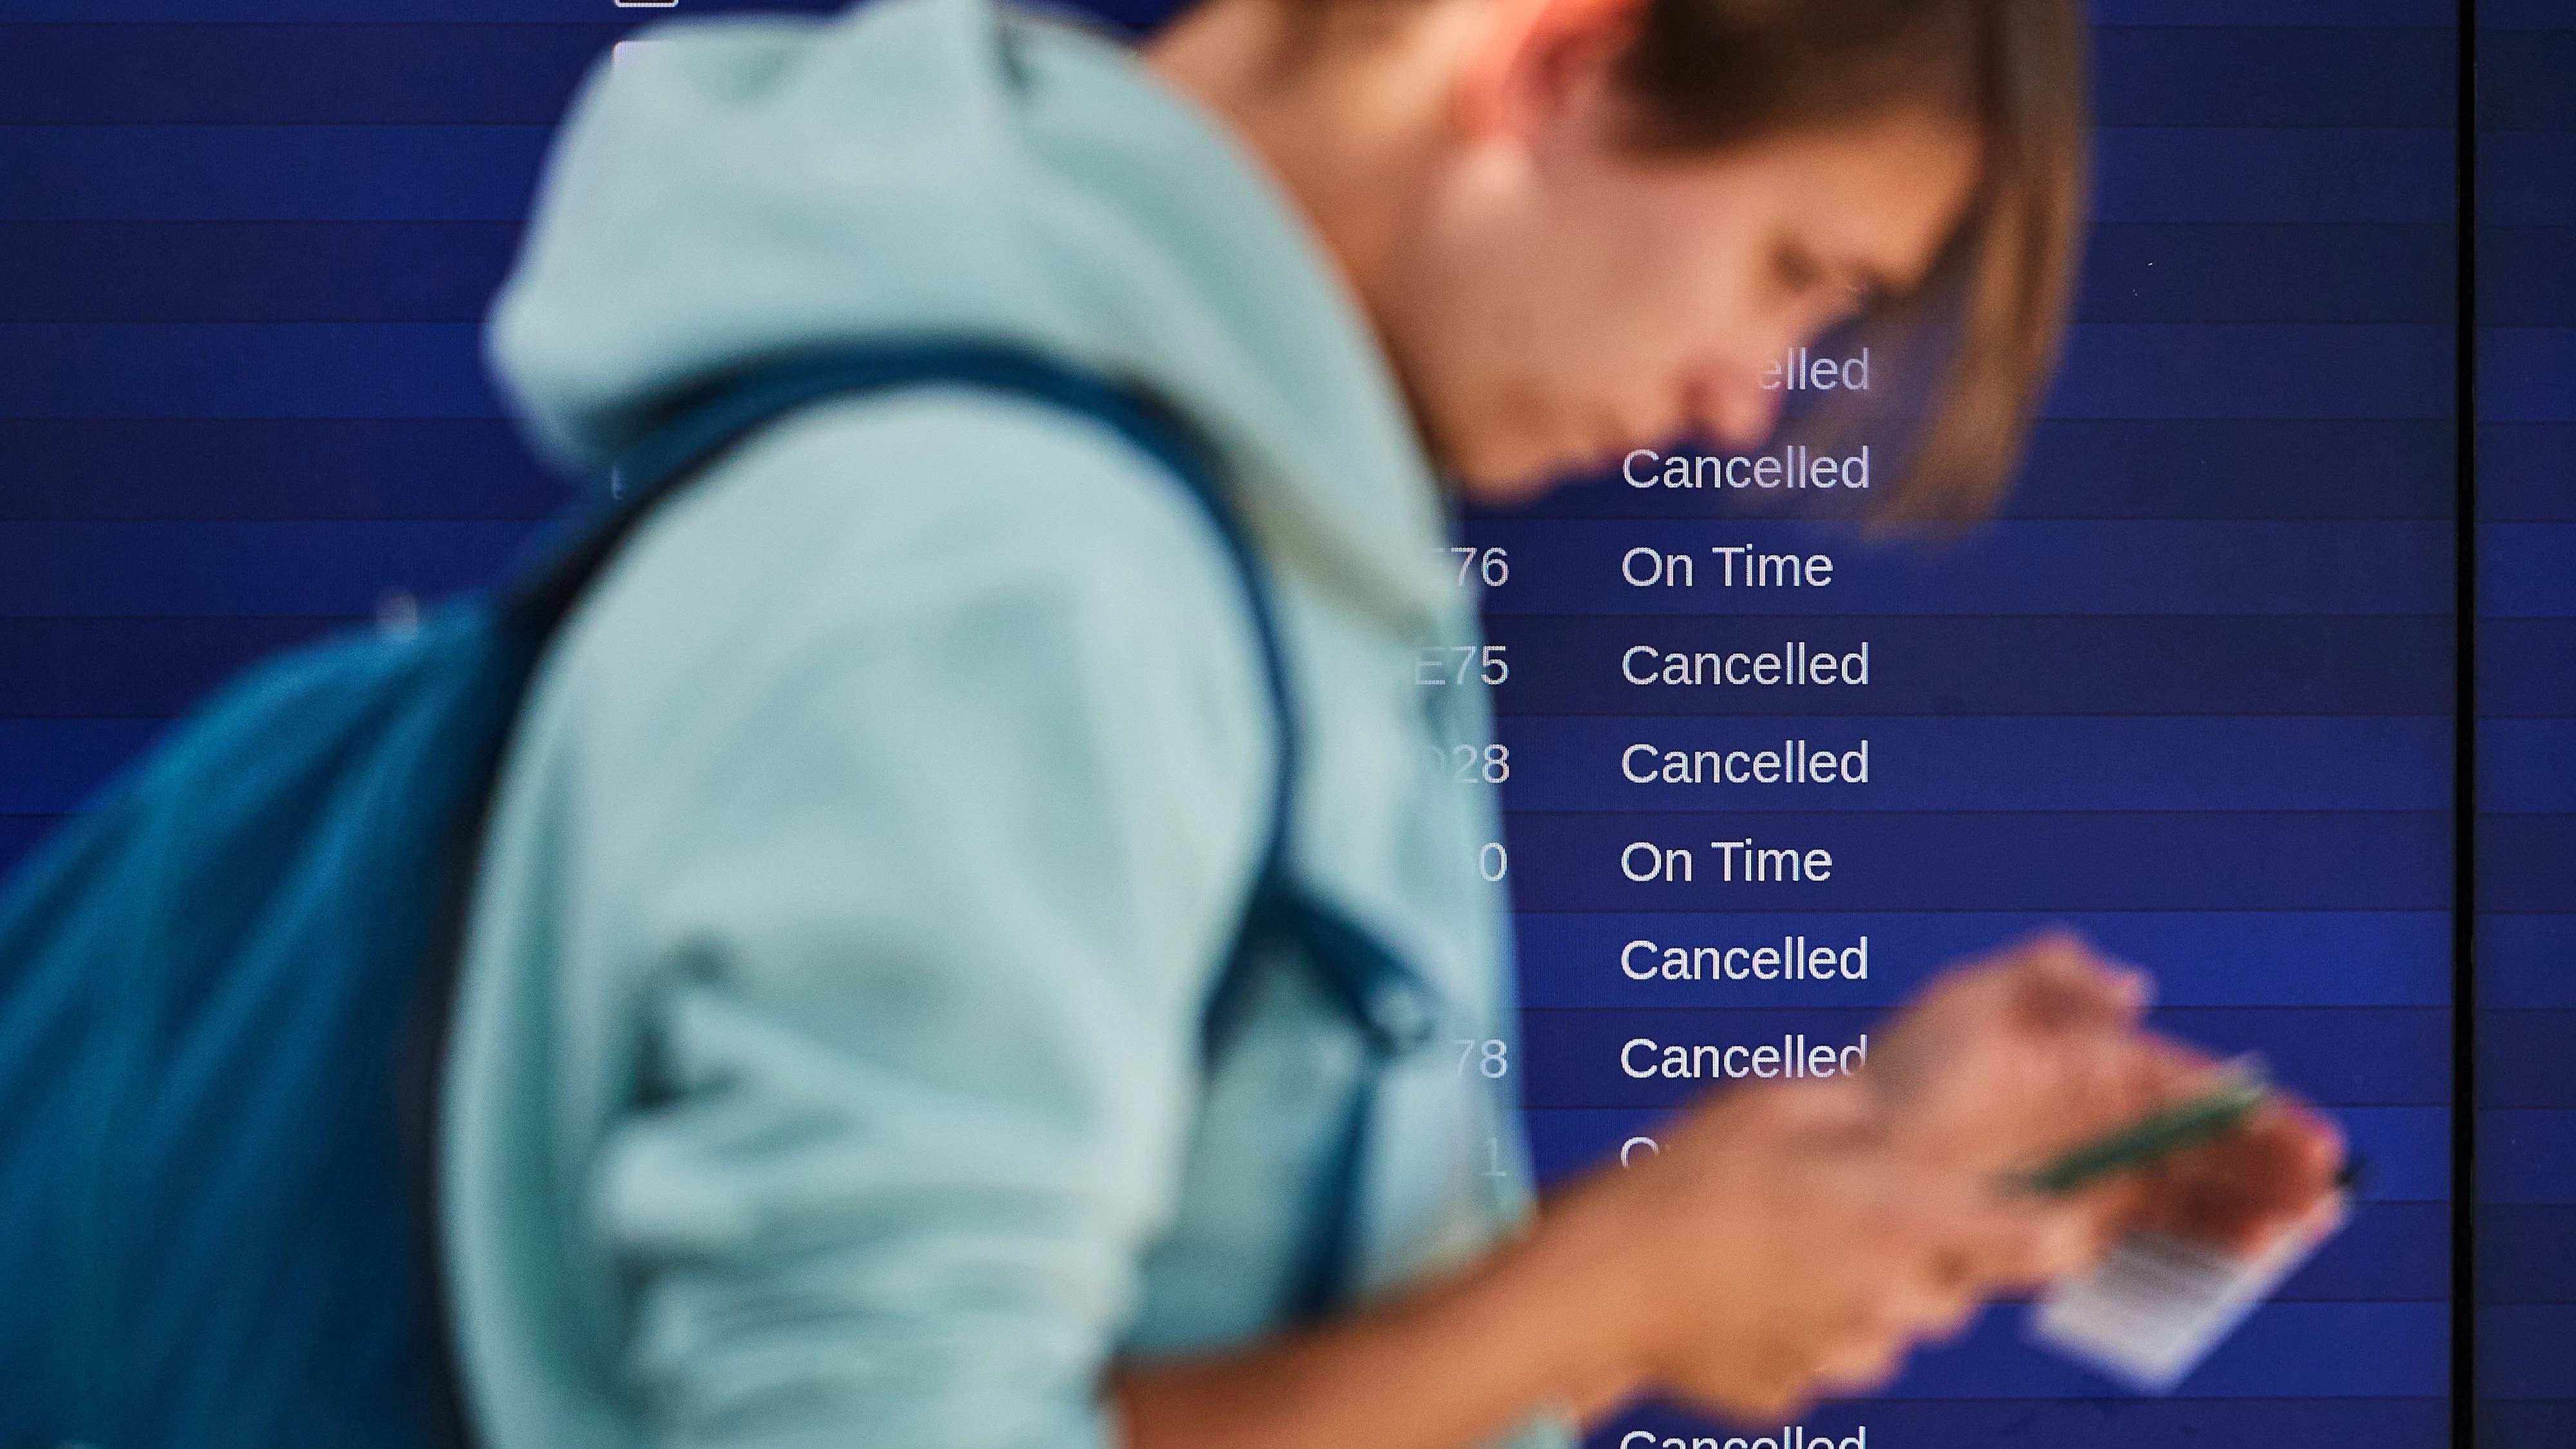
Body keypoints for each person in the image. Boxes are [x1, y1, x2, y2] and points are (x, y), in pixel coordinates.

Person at [445, 0, 2346, 1445]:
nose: (1745, 403)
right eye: (1794, 272)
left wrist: (1859, 1166)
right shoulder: (1017, 573)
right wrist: (1618, 1299)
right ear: (1554, 60)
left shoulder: (1231, 558)